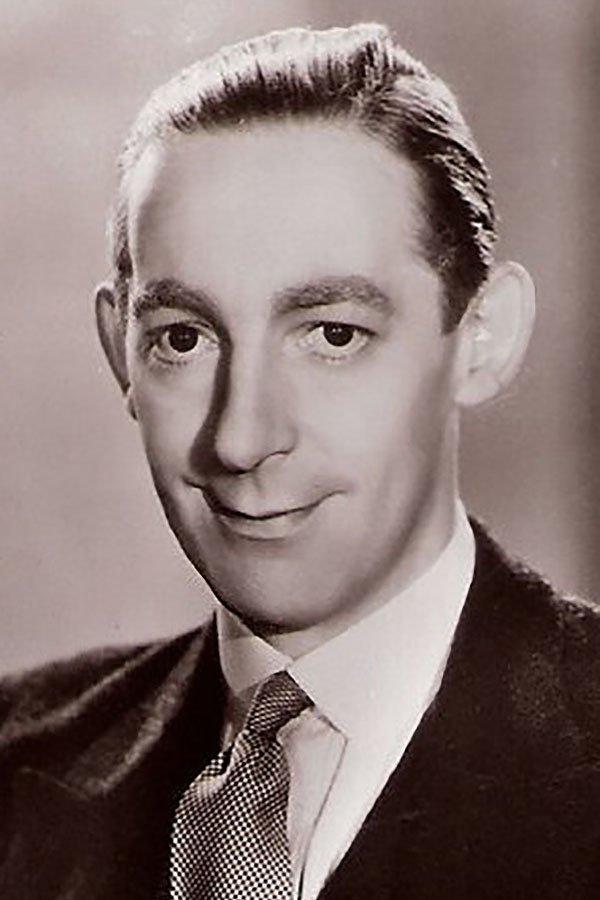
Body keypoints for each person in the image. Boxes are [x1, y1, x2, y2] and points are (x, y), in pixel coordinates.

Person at [2, 22, 600, 900]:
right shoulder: (17, 769)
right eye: (183, 338)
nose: (241, 439)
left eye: (333, 335)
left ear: (482, 337)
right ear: (118, 351)